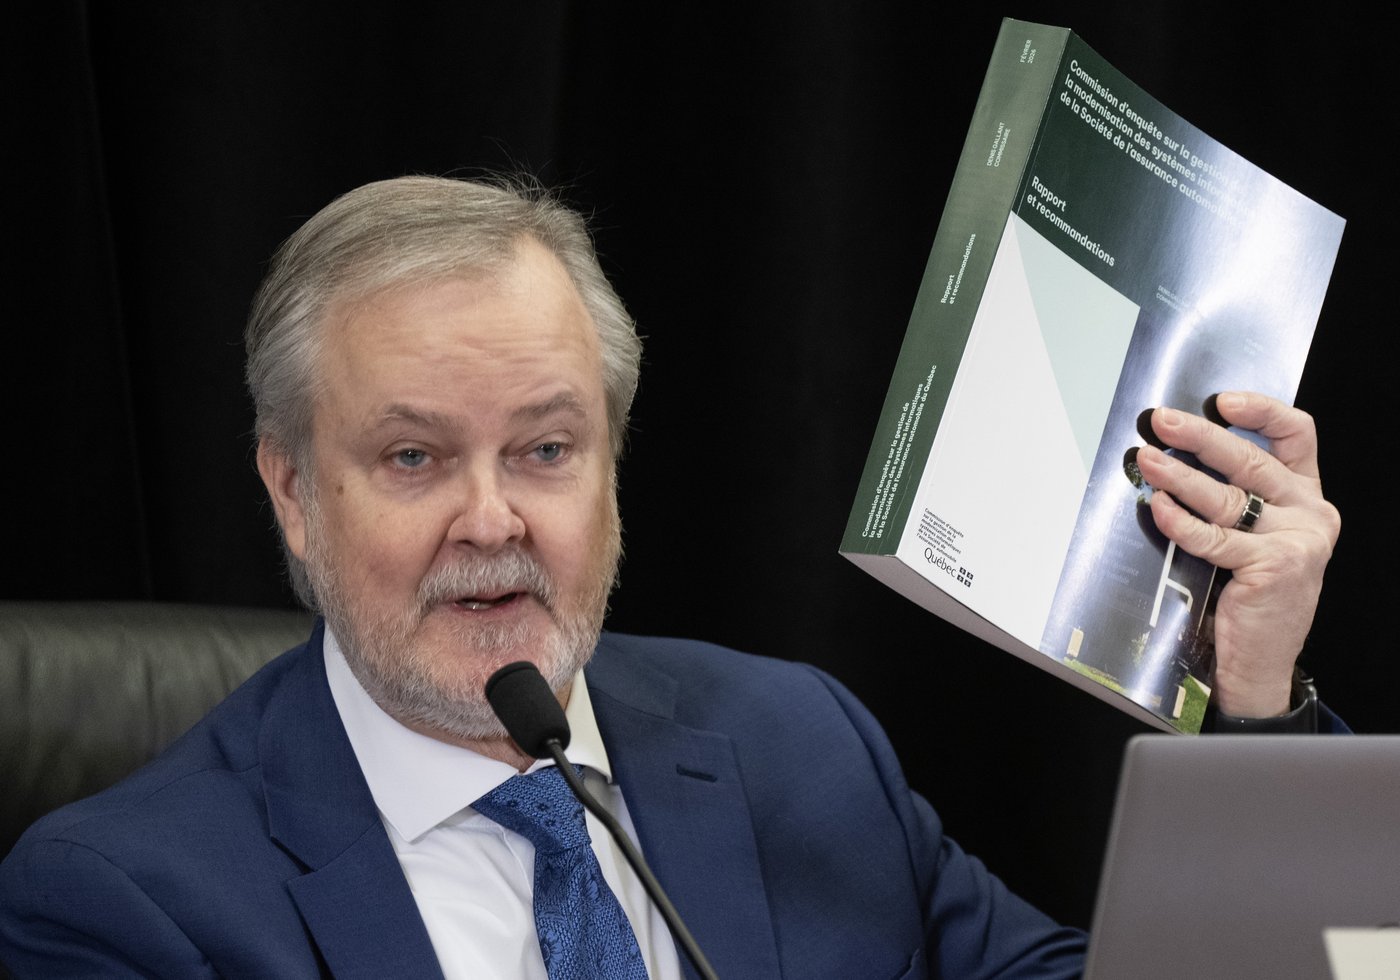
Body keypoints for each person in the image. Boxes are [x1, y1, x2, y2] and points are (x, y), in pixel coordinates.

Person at [0, 177, 1343, 978]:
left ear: (612, 466)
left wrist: (1256, 694)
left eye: (546, 449)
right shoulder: (125, 906)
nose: (491, 519)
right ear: (293, 491)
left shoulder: (797, 747)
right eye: (413, 457)